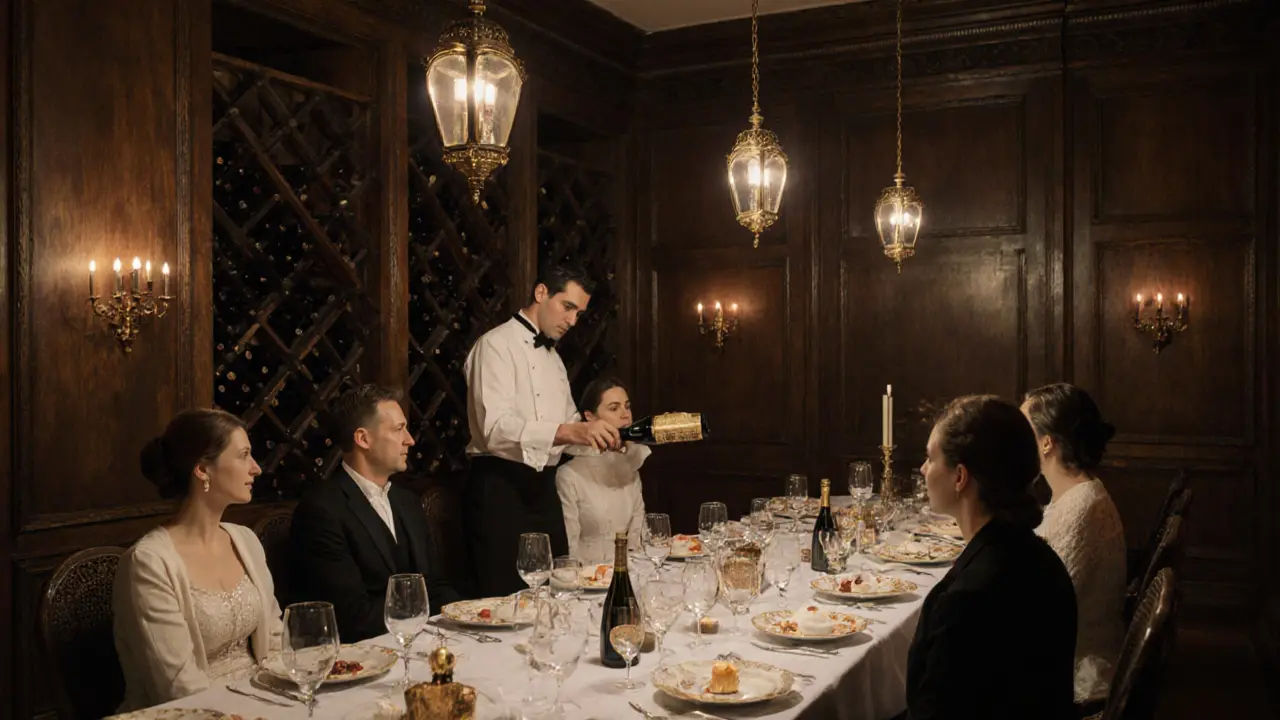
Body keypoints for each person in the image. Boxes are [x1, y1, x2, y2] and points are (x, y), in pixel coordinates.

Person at [905, 395, 1077, 720]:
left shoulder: (969, 599)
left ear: (960, 477)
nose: (923, 469)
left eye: (931, 458)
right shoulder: (1036, 555)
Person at [463, 262, 623, 596]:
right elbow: (494, 429)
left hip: (544, 490)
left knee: (557, 593)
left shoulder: (555, 360)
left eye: (579, 314)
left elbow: (569, 431)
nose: (572, 321)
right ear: (540, 293)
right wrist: (570, 432)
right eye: (568, 307)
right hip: (499, 489)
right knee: (506, 600)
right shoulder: (494, 346)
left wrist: (600, 435)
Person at [114, 409, 282, 711]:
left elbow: (274, 637)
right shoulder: (149, 563)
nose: (256, 468)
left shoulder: (245, 540)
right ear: (203, 470)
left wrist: (287, 694)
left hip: (261, 702)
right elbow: (176, 685)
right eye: (243, 455)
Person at [290, 384, 460, 643]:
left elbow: (437, 586)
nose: (410, 440)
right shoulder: (321, 510)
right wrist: (424, 614)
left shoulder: (408, 502)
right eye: (398, 429)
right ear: (363, 439)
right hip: (364, 658)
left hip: (425, 643)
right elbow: (351, 617)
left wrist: (467, 617)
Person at [1023, 382, 1126, 700]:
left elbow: (1037, 613)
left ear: (1046, 444)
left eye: (1022, 430)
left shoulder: (1082, 506)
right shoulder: (1075, 494)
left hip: (1071, 676)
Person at [556, 378, 649, 564]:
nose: (626, 415)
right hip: (588, 578)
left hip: (629, 573)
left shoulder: (630, 465)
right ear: (590, 417)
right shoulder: (570, 475)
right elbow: (570, 548)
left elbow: (639, 538)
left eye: (627, 406)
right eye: (614, 408)